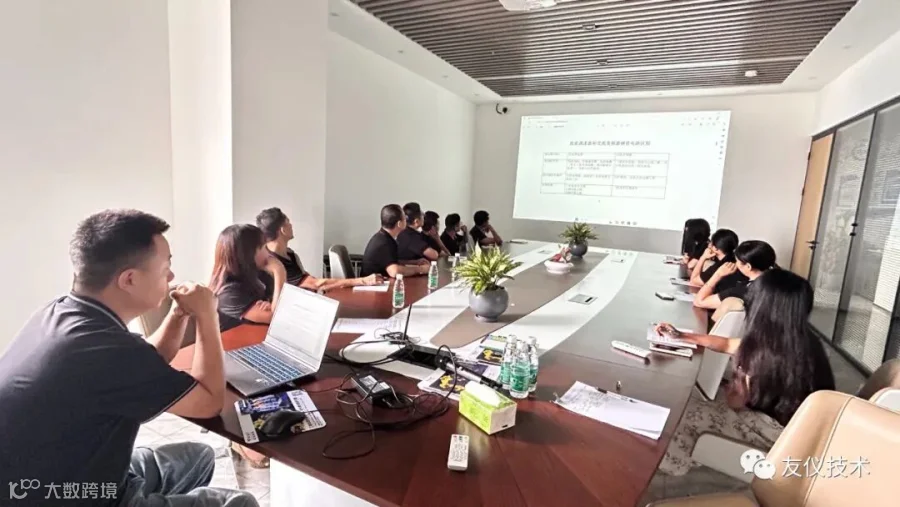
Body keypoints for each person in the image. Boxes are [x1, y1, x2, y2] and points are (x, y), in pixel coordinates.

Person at [0, 209, 258, 507]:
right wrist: (207, 315)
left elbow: (144, 362)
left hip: (55, 475)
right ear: (129, 279)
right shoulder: (104, 350)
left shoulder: (61, 313)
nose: (171, 277)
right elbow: (210, 402)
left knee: (200, 457)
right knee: (241, 503)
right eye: (165, 268)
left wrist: (179, 314)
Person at [654, 269, 835, 477]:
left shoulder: (761, 355)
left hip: (774, 438)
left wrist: (732, 385)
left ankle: (669, 463)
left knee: (679, 415)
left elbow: (735, 403)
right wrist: (684, 336)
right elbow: (729, 344)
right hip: (805, 433)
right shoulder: (800, 340)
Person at [255, 207, 382, 292]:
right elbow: (315, 284)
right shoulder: (273, 260)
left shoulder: (289, 254)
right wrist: (363, 280)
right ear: (282, 230)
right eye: (288, 222)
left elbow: (308, 280)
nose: (291, 225)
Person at [209, 224, 285, 332]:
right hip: (233, 341)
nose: (268, 253)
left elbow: (281, 307)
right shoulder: (228, 292)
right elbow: (276, 318)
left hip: (256, 335)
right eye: (263, 247)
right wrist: (279, 272)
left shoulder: (258, 274)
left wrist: (271, 304)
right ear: (247, 254)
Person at [693, 240, 777, 310]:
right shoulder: (776, 286)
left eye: (737, 261)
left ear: (748, 267)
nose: (735, 264)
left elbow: (699, 302)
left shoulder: (744, 290)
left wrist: (718, 274)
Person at [361, 204, 431, 278]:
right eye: (405, 218)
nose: (407, 221)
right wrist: (421, 269)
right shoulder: (384, 243)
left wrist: (415, 262)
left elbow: (391, 262)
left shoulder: (384, 237)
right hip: (373, 284)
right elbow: (394, 271)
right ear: (399, 224)